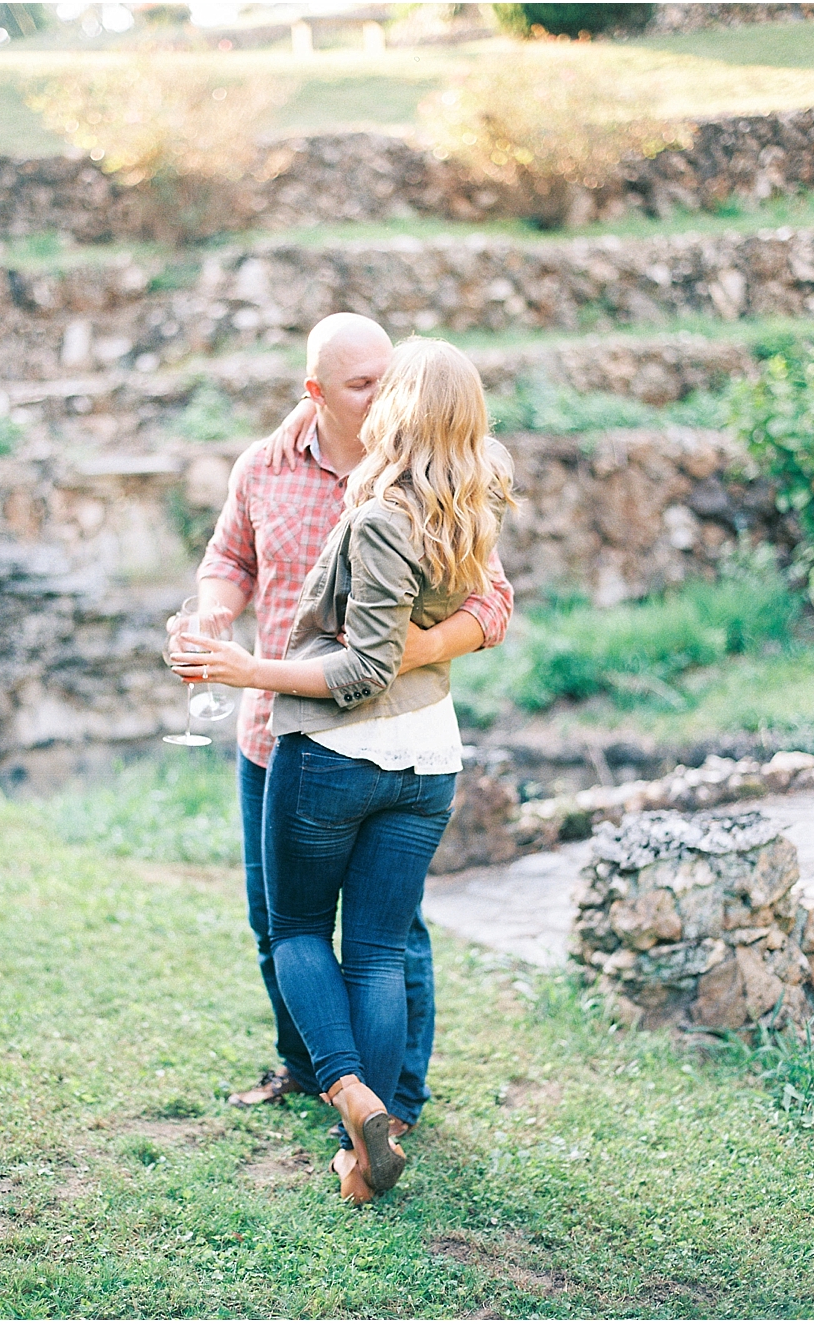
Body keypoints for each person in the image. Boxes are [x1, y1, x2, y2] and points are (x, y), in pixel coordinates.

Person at [170, 338, 516, 1201]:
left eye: (389, 382)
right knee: (353, 946)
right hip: (414, 750)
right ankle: (358, 1124)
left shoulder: (386, 500)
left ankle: (370, 1098)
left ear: (405, 401)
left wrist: (258, 667)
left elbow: (477, 609)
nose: (378, 395)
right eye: (361, 383)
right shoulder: (466, 478)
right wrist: (216, 615)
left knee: (320, 935)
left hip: (325, 740)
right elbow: (229, 561)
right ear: (318, 392)